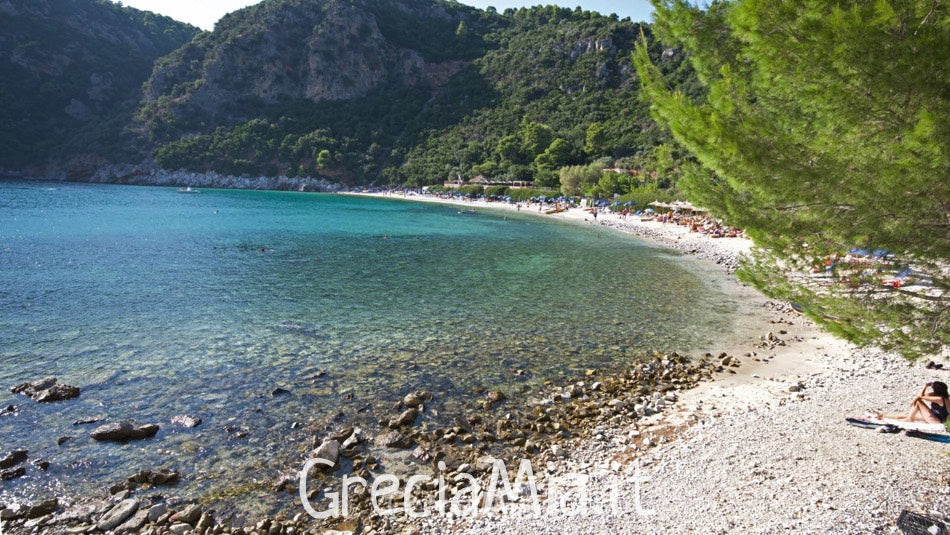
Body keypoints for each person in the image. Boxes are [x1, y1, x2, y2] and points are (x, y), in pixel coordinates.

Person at [872, 381, 949, 424]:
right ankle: (883, 415)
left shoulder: (940, 399)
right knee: (904, 415)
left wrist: (925, 386)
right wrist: (914, 400)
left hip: (937, 420)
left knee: (919, 402)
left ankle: (910, 419)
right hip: (932, 416)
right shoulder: (937, 395)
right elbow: (920, 396)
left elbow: (921, 396)